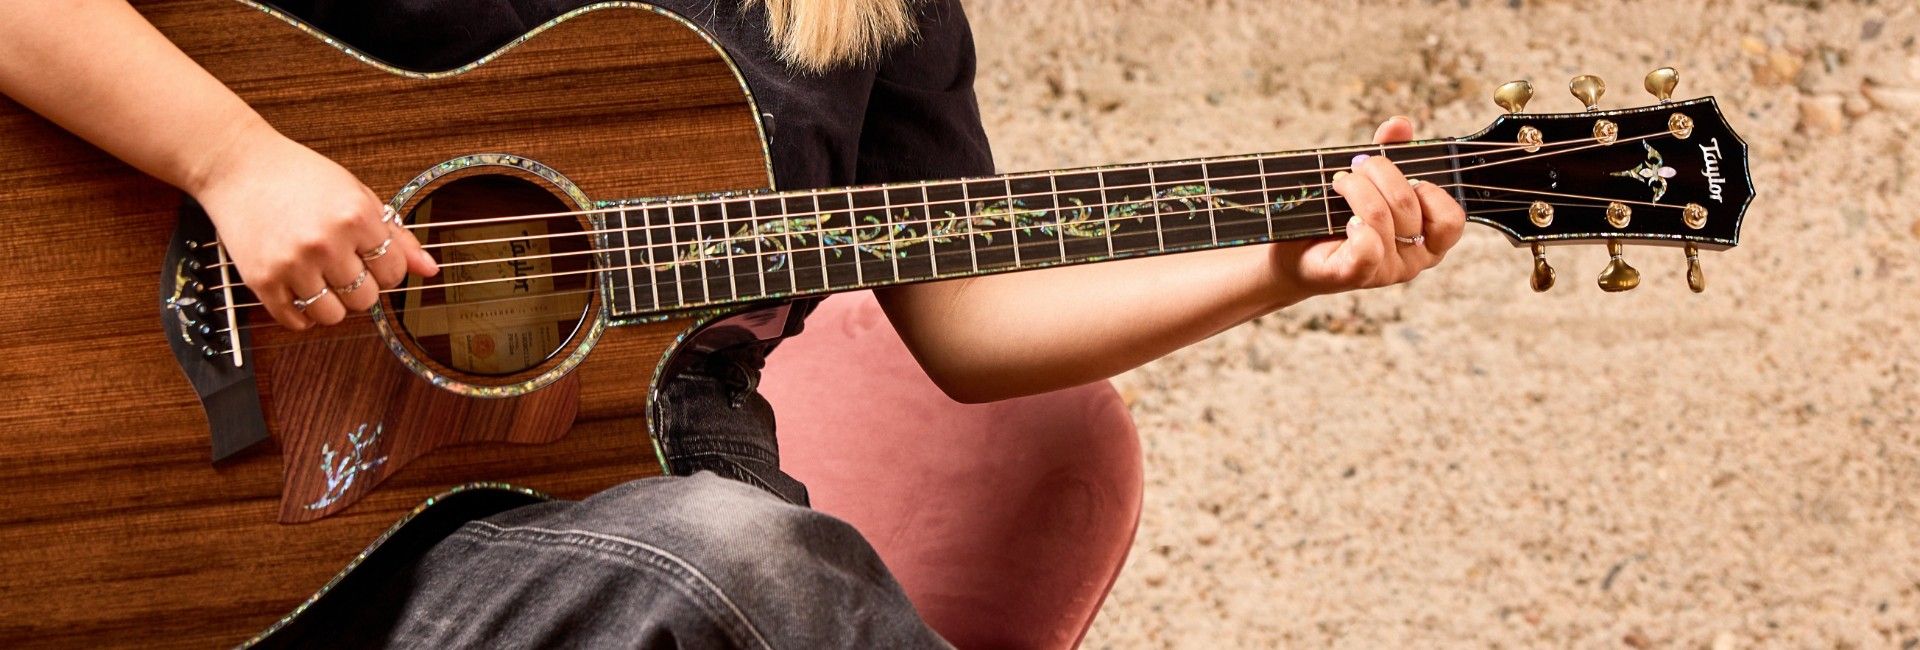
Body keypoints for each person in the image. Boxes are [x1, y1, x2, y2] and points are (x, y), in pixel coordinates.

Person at [0, 0, 1466, 646]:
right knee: (748, 567)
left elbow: (969, 319)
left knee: (740, 559)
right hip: (237, 529)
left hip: (587, 543)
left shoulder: (864, 5)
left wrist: (1290, 264)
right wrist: (232, 161)